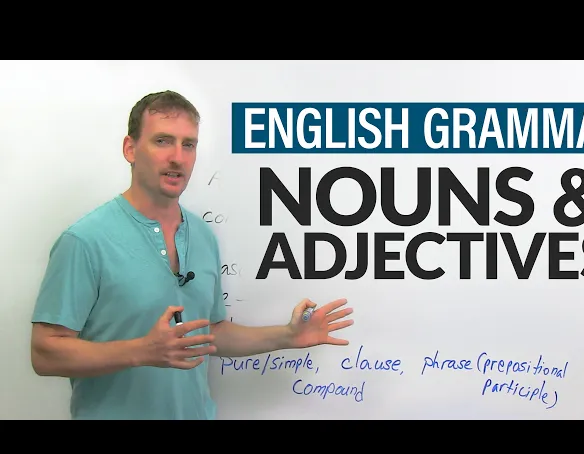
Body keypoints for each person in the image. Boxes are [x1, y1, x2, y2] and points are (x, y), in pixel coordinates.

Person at [29, 90, 354, 420]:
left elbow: (212, 334)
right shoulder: (85, 241)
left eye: (188, 145)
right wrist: (141, 351)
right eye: (162, 141)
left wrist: (288, 335)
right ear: (130, 149)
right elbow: (45, 353)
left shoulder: (202, 236)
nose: (177, 157)